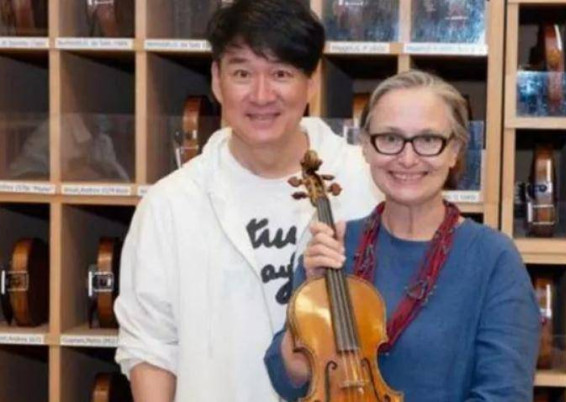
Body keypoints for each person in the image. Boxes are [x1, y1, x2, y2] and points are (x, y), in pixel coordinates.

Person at [113, 1, 380, 401]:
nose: (261, 95)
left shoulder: (367, 183)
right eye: (242, 73)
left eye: (281, 73)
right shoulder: (170, 203)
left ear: (312, 82)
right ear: (217, 80)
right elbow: (150, 347)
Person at [265, 70, 541, 401]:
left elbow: (504, 394)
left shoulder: (493, 257)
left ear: (454, 151)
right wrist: (312, 296)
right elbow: (288, 381)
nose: (407, 159)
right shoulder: (335, 244)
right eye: (390, 139)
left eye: (428, 140)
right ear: (366, 147)